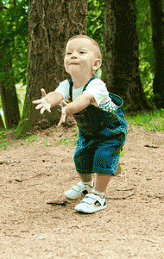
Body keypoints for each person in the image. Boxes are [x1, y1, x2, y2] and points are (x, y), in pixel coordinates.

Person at [32, 35, 128, 214]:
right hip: (89, 131)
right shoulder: (67, 85)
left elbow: (84, 100)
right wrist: (48, 101)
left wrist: (69, 109)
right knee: (81, 157)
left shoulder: (97, 85)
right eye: (69, 53)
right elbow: (57, 94)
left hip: (110, 130)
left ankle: (98, 196)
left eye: (81, 52)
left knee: (102, 158)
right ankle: (86, 186)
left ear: (96, 64)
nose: (73, 55)